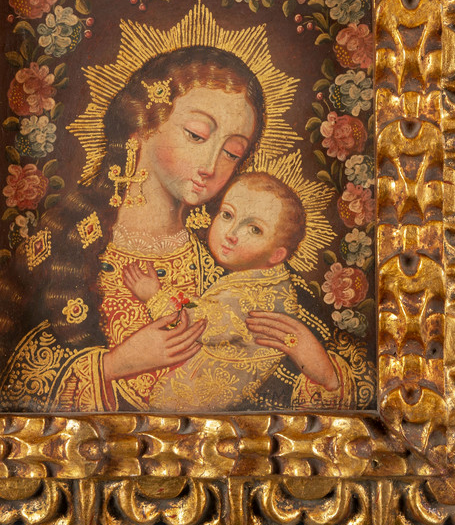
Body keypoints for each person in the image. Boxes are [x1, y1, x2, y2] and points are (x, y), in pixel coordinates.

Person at [0, 46, 266, 412]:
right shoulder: (61, 240)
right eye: (197, 135)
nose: (211, 165)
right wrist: (112, 365)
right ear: (142, 125)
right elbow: (0, 380)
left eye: (231, 152)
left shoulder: (225, 262)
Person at [122, 171, 340, 411]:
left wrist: (155, 296)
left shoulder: (257, 295)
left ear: (277, 255)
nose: (231, 234)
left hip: (196, 404)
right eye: (227, 215)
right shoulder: (261, 279)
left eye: (254, 230)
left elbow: (199, 324)